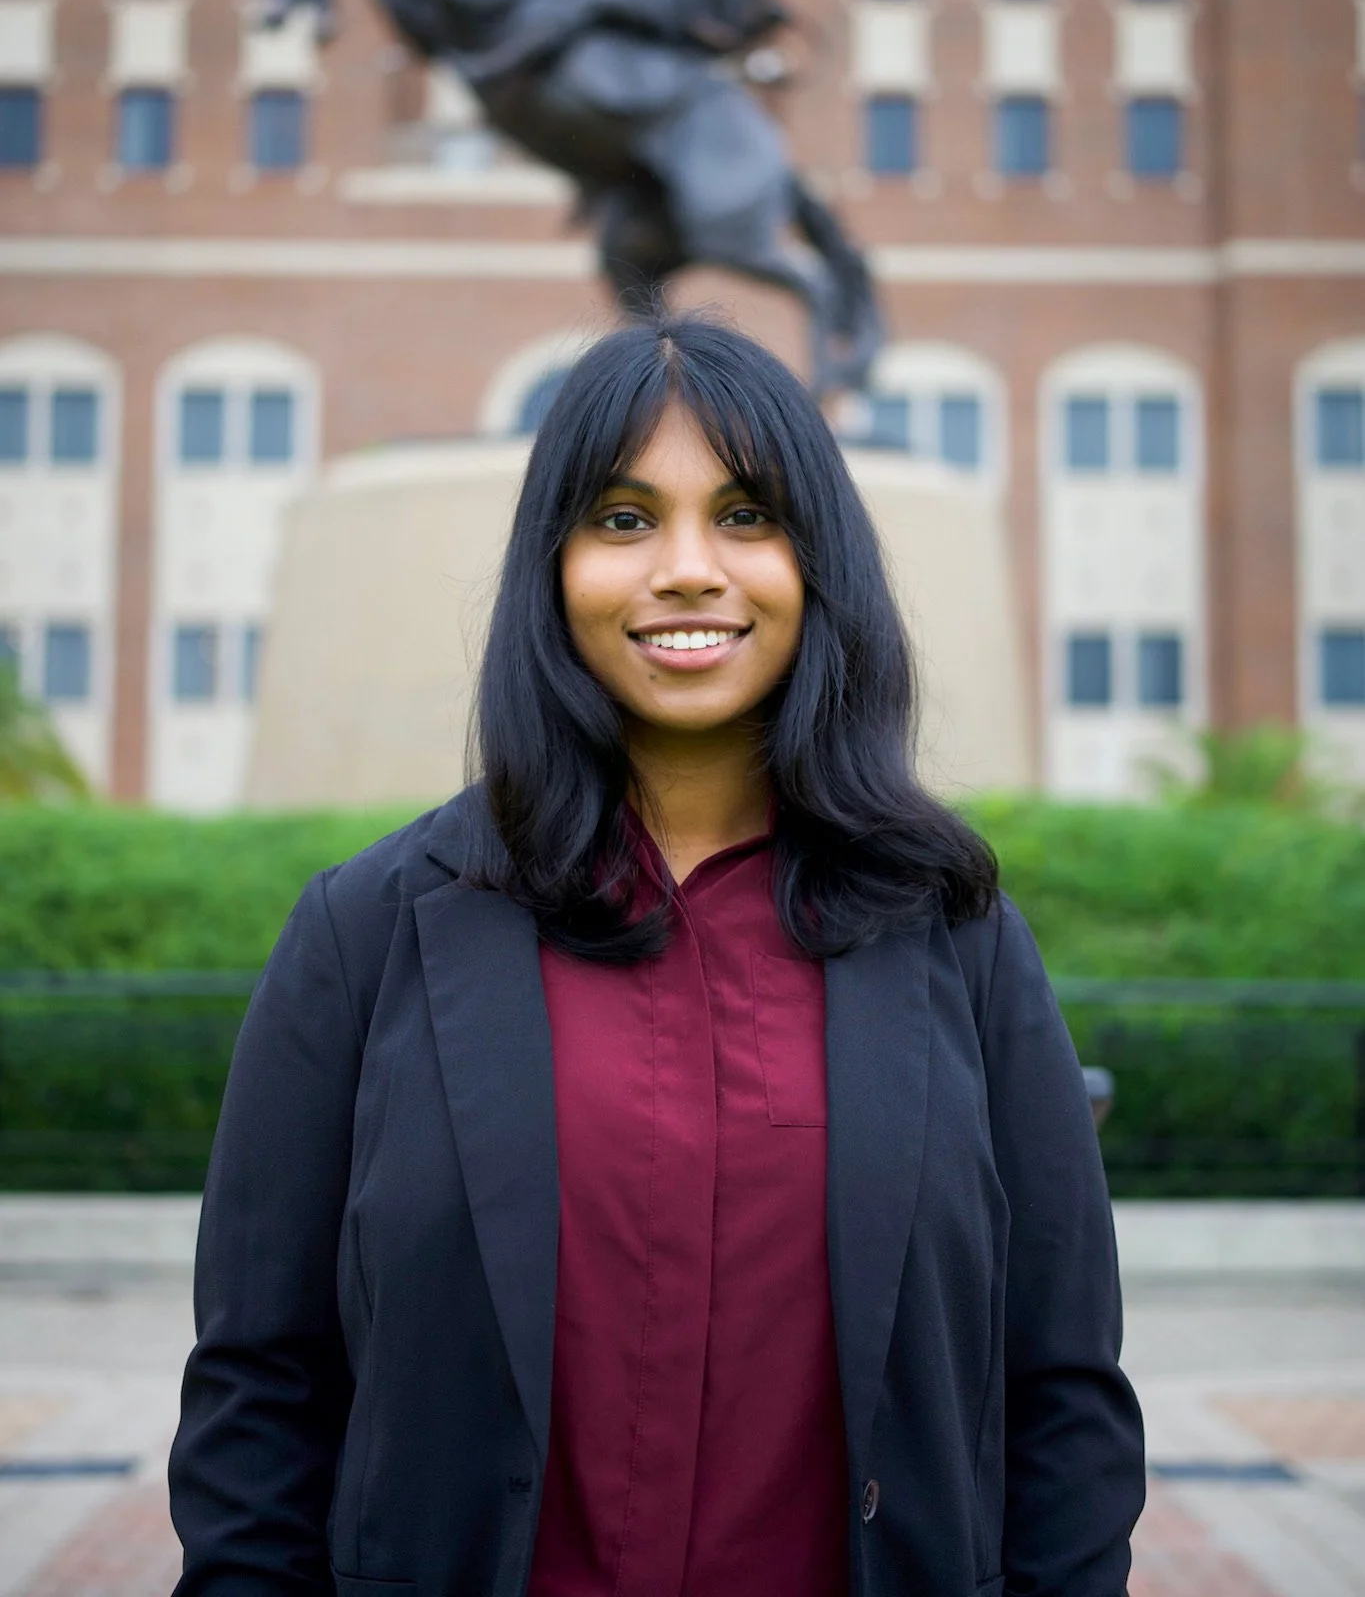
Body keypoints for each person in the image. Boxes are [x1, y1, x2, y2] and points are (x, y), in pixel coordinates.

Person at [169, 316, 1145, 1597]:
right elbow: (261, 1387)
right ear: (552, 564)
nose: (688, 568)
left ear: (818, 562)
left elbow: (1062, 1387)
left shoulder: (957, 936)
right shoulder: (371, 928)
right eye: (624, 519)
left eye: (746, 514)